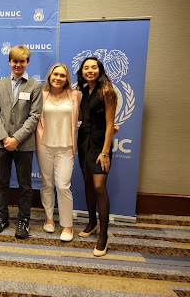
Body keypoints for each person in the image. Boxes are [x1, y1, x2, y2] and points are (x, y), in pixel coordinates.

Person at [0, 45, 42, 239]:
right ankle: (1, 216)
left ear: (27, 62)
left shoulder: (35, 86)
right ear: (9, 62)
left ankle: (23, 220)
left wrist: (16, 138)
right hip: (1, 142)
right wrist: (5, 138)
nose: (18, 64)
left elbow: (34, 116)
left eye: (22, 61)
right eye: (15, 61)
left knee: (25, 184)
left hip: (24, 143)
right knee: (2, 182)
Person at [35, 63, 82, 242]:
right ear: (49, 76)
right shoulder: (41, 94)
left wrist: (110, 124)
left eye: (62, 75)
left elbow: (88, 114)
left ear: (66, 78)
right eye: (55, 74)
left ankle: (67, 226)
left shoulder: (75, 95)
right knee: (47, 184)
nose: (58, 78)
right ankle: (49, 218)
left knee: (63, 186)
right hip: (45, 145)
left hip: (66, 147)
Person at [76, 57, 117, 257]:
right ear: (82, 71)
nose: (90, 70)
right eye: (86, 68)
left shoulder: (107, 92)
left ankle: (103, 236)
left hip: (100, 145)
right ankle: (91, 222)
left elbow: (110, 124)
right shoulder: (83, 91)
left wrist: (105, 151)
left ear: (100, 70)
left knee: (99, 186)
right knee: (88, 184)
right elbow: (83, 117)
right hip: (84, 141)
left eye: (94, 67)